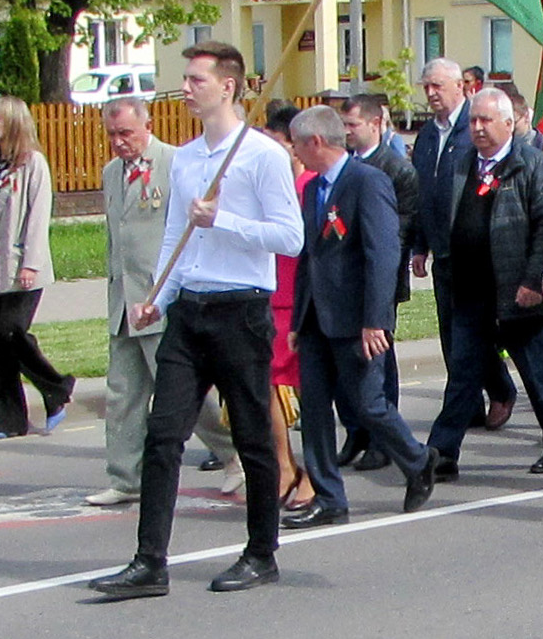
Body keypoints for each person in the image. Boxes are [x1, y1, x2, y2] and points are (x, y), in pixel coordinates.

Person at [89, 42, 304, 599]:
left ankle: (261, 553)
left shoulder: (261, 155)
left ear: (227, 86)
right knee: (164, 437)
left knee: (254, 437)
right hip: (189, 312)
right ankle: (148, 561)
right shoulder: (184, 158)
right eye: (185, 78)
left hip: (242, 310)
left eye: (196, 79)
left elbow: (290, 236)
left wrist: (224, 219)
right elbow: (174, 239)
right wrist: (158, 295)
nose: (186, 88)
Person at [281, 106, 437, 528]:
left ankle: (418, 459)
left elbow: (383, 254)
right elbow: (310, 257)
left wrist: (376, 320)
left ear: (315, 142)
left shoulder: (367, 182)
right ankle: (330, 499)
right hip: (317, 318)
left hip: (356, 319)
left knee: (368, 405)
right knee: (313, 411)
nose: (294, 151)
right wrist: (298, 320)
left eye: (296, 143)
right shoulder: (314, 189)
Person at [86, 97, 237, 507]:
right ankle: (124, 477)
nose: (119, 143)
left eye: (126, 134)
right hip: (124, 302)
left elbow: (190, 229)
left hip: (161, 299)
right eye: (112, 135)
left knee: (184, 392)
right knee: (122, 393)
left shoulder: (175, 163)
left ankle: (232, 454)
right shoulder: (111, 173)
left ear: (146, 125)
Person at [424, 88, 543, 478]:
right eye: (473, 120)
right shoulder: (460, 163)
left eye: (485, 120)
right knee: (463, 375)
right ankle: (441, 453)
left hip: (517, 291)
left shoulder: (533, 165)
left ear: (509, 124)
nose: (477, 128)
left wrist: (532, 279)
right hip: (471, 291)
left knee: (538, 372)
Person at [412, 58, 517, 422]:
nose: (431, 93)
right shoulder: (428, 135)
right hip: (441, 247)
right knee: (449, 332)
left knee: (475, 330)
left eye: (438, 86)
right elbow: (423, 191)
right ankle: (467, 404)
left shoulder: (473, 129)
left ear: (461, 86)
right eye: (427, 86)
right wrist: (419, 244)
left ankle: (500, 388)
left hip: (475, 250)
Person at [0, 95, 71, 438]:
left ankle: (56, 387)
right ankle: (4, 417)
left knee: (10, 332)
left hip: (22, 266)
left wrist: (30, 262)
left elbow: (36, 216)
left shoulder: (33, 164)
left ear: (13, 123)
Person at [339, 94, 418, 471]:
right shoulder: (343, 166)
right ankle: (356, 430)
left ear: (375, 124)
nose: (347, 132)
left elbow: (402, 226)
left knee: (377, 359)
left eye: (353, 125)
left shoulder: (395, 168)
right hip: (344, 281)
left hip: (379, 279)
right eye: (345, 125)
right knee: (346, 359)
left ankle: (384, 439)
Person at [259, 103, 315, 511]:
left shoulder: (312, 185)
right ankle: (284, 465)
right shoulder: (262, 189)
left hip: (308, 300)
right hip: (269, 298)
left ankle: (315, 471)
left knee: (313, 391)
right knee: (267, 385)